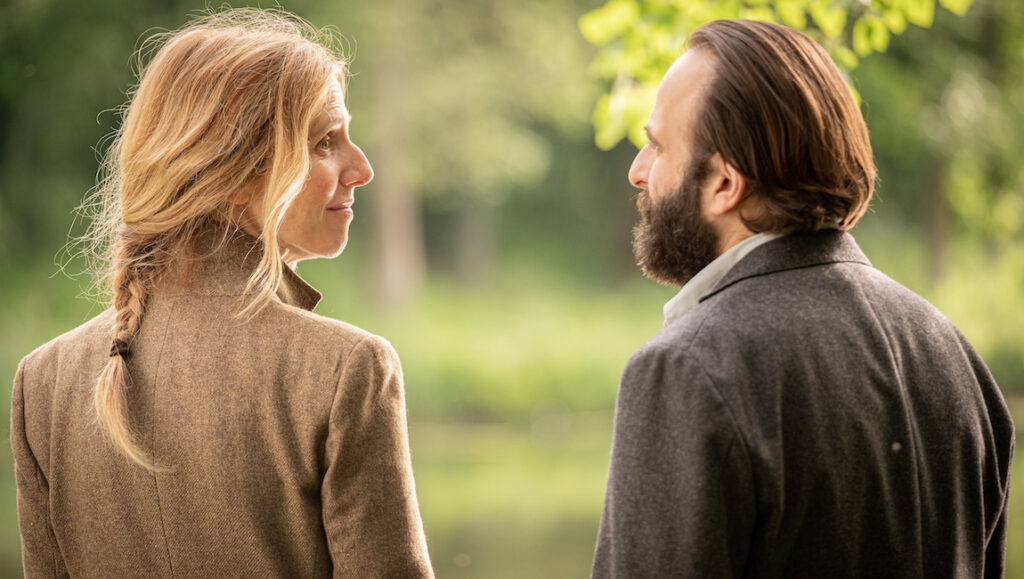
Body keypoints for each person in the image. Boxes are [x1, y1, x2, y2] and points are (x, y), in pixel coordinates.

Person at [10, 8, 434, 578]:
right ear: (235, 175)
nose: (361, 167)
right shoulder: (345, 369)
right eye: (325, 142)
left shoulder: (43, 380)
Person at [592, 19, 1014, 578]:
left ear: (724, 183)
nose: (637, 171)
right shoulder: (955, 357)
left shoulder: (687, 368)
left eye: (656, 145)